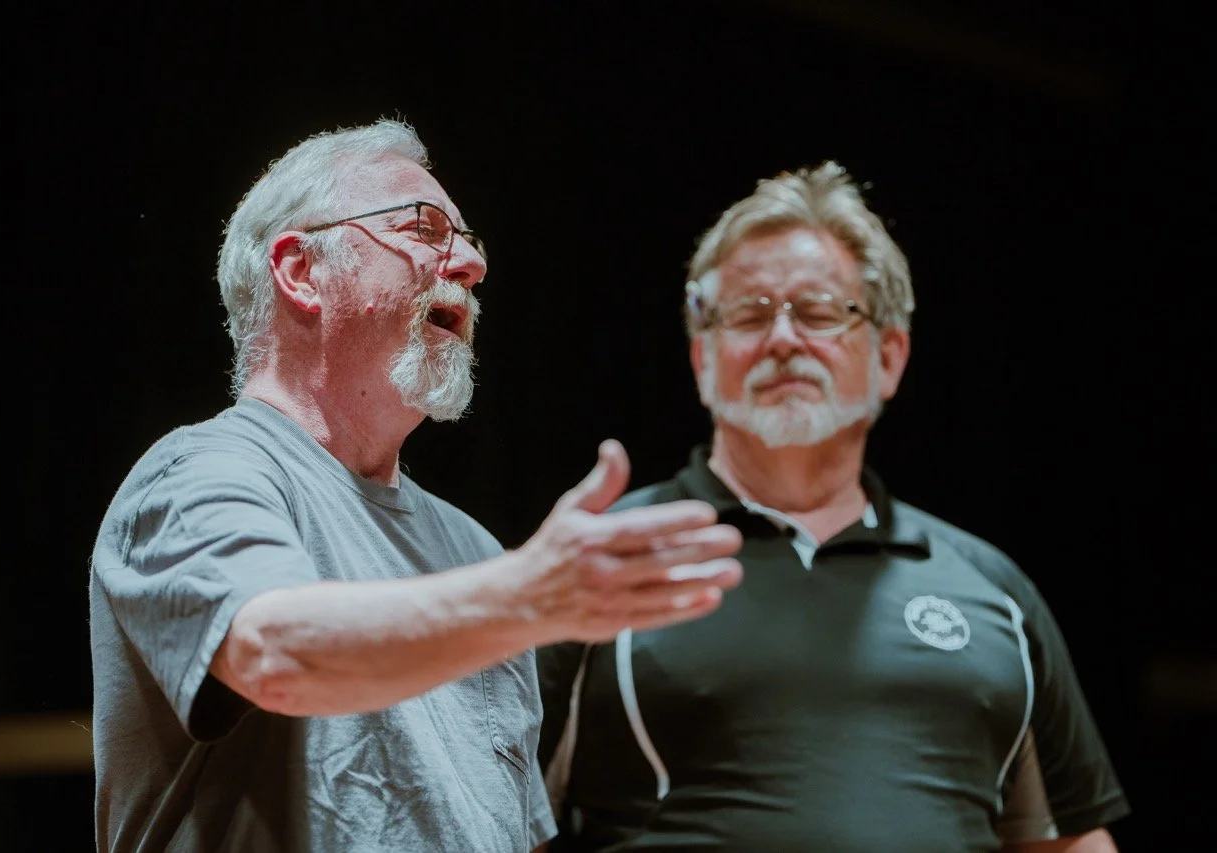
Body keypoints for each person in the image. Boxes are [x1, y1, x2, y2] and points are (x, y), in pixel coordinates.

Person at [88, 119, 744, 853]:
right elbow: (275, 655)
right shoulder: (200, 472)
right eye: (423, 228)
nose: (470, 264)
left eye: (468, 240)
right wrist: (526, 595)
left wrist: (518, 591)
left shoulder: (475, 550)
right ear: (301, 272)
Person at [536, 163, 1130, 852]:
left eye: (819, 312)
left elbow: (1070, 841)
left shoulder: (993, 588)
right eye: (749, 314)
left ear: (890, 357)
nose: (783, 339)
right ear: (703, 359)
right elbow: (492, 821)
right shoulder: (602, 556)